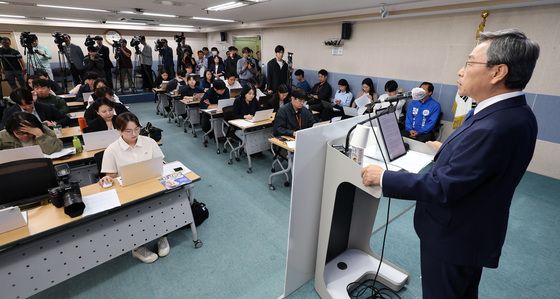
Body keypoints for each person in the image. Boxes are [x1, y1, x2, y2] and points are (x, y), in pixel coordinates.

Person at [362, 28, 539, 299]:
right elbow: (480, 168)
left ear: (497, 72)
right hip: (472, 231)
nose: (460, 71)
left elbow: (444, 186)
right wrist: (446, 150)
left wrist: (385, 178)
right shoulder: (512, 112)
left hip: (454, 236)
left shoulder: (495, 125)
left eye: (469, 62)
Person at [99, 112, 168, 264]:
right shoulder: (111, 150)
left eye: (137, 129)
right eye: (128, 131)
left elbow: (160, 164)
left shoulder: (149, 142)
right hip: (128, 191)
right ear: (119, 131)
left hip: (151, 185)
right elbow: (110, 176)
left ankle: (162, 236)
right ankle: (137, 247)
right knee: (133, 213)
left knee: (162, 202)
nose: (134, 134)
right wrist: (107, 179)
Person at [2, 88, 69, 129]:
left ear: (32, 99)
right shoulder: (9, 112)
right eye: (23, 105)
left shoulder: (46, 107)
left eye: (29, 103)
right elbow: (3, 127)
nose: (27, 107)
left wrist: (54, 124)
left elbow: (65, 119)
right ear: (16, 103)